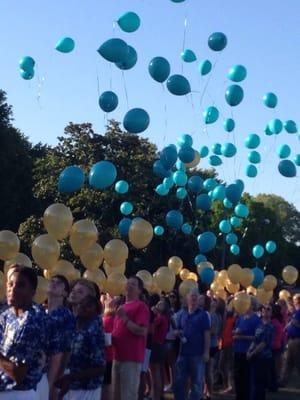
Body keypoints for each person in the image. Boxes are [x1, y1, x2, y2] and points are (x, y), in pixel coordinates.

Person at [0, 265, 47, 399]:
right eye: (10, 284)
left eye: (20, 285)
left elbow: (18, 374)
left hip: (18, 394)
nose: (13, 289)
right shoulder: (9, 315)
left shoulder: (31, 322)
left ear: (32, 292)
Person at [55, 295, 106, 400]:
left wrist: (71, 377)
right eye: (81, 303)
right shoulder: (74, 325)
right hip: (71, 387)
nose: (83, 307)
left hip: (87, 390)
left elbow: (100, 368)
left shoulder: (94, 332)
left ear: (96, 311)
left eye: (89, 305)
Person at [36, 274, 76, 400]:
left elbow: (59, 355)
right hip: (38, 374)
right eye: (52, 281)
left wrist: (51, 385)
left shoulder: (64, 316)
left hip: (55, 375)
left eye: (59, 283)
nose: (54, 283)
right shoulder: (40, 312)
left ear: (65, 293)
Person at [112, 276, 150, 400]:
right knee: (115, 395)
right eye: (128, 283)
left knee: (128, 395)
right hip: (117, 356)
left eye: (133, 284)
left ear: (139, 290)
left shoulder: (141, 307)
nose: (128, 285)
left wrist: (124, 318)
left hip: (131, 358)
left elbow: (142, 331)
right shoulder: (121, 307)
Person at [173, 288, 211, 400]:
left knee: (197, 383)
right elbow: (177, 329)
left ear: (199, 299)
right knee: (180, 382)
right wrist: (177, 333)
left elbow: (207, 334)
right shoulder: (182, 314)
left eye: (196, 296)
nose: (193, 298)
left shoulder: (204, 315)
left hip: (197, 354)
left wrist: (206, 352)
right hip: (183, 353)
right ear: (187, 298)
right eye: (191, 295)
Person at [232, 296, 261, 400]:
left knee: (246, 379)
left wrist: (242, 336)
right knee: (237, 377)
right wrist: (235, 332)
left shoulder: (256, 319)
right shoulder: (240, 317)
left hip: (248, 352)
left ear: (252, 305)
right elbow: (235, 330)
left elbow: (257, 337)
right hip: (237, 350)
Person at [247, 304, 274, 400]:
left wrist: (252, 353)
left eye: (268, 309)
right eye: (263, 309)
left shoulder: (270, 327)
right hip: (255, 357)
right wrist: (249, 351)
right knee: (253, 384)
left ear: (271, 313)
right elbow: (255, 339)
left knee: (260, 385)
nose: (265, 310)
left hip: (264, 357)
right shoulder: (259, 325)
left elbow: (263, 343)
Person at [149, 297, 170, 400]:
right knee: (159, 370)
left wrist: (152, 313)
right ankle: (159, 393)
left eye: (160, 304)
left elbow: (152, 326)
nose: (157, 305)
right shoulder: (164, 317)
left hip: (157, 345)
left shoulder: (160, 318)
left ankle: (155, 395)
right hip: (161, 345)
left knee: (155, 371)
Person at [280, 293, 300, 385]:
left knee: (297, 362)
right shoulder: (296, 312)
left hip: (296, 339)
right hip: (291, 339)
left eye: (295, 300)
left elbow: (295, 322)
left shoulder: (298, 312)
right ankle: (283, 381)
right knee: (288, 361)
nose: (294, 301)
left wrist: (292, 322)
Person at [269, 303, 285, 392]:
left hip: (273, 346)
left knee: (272, 367)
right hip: (277, 345)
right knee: (273, 367)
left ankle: (272, 385)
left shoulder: (274, 323)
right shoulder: (278, 321)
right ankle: (273, 385)